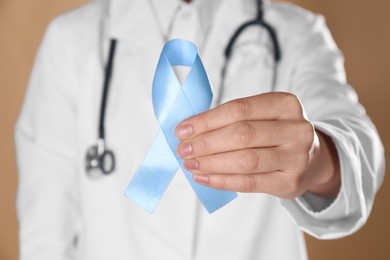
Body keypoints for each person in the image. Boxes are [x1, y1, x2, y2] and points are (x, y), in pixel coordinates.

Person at [15, 0, 385, 259]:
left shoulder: (297, 33)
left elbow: (361, 151)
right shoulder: (71, 40)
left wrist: (319, 160)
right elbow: (45, 235)